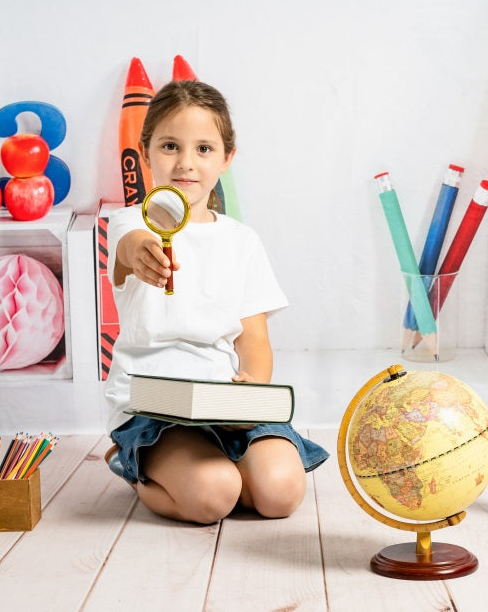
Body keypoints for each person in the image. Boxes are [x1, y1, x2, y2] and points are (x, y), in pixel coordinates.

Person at [103, 79, 328, 524]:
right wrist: (143, 253)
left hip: (223, 401)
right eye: (170, 146)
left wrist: (253, 395)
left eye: (204, 149)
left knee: (280, 493)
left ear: (227, 159)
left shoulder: (241, 240)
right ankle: (135, 467)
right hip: (154, 404)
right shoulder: (128, 221)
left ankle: (218, 465)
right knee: (213, 496)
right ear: (145, 152)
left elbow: (255, 340)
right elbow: (132, 247)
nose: (186, 163)